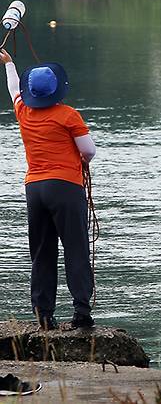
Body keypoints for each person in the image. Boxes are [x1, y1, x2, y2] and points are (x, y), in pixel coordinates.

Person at [1, 49, 96, 331]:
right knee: (75, 248)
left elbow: (13, 89)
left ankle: (44, 315)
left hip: (35, 188)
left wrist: (8, 64)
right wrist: (80, 161)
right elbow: (89, 151)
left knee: (42, 252)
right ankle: (81, 312)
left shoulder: (24, 111)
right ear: (57, 90)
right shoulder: (68, 116)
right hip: (66, 186)